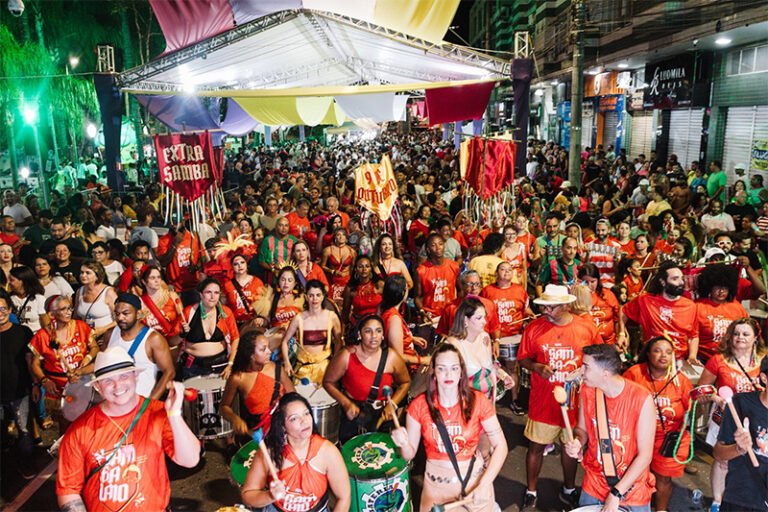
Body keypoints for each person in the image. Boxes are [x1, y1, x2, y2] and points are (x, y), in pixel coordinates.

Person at [56, 347, 200, 512]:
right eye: (108, 380)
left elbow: (190, 460)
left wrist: (174, 414)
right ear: (97, 386)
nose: (118, 386)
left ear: (136, 376)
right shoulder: (79, 429)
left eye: (124, 376)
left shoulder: (158, 412)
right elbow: (68, 489)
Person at [391, 344, 508, 511]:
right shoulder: (419, 406)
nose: (448, 374)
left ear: (461, 371)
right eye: (442, 368)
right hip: (436, 488)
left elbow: (501, 446)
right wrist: (403, 443)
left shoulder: (479, 401)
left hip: (473, 482)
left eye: (454, 368)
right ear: (433, 372)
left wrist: (484, 484)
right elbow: (409, 454)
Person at [518, 284, 601, 511]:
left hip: (575, 402)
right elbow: (523, 359)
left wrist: (585, 373)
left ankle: (569, 488)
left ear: (566, 305)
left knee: (570, 447)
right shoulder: (533, 328)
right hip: (543, 401)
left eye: (552, 307)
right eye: (544, 307)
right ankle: (531, 490)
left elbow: (599, 358)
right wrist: (537, 367)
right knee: (536, 446)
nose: (546, 311)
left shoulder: (586, 328)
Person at [564, 344, 656, 512]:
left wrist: (615, 493)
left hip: (632, 491)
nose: (581, 371)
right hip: (594, 485)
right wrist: (578, 442)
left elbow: (645, 456)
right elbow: (581, 429)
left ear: (604, 373)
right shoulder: (587, 391)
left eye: (586, 366)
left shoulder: (641, 398)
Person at [697, 317, 765, 511]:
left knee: (753, 460)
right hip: (724, 418)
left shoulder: (764, 360)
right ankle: (718, 502)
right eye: (736, 333)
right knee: (722, 461)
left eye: (745, 334)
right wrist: (716, 398)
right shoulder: (718, 360)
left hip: (756, 420)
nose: (740, 337)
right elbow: (703, 388)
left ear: (755, 338)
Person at [241, 392, 351, 512]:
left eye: (306, 413)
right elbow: (248, 496)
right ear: (283, 426)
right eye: (294, 418)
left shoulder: (328, 452)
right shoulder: (269, 453)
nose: (304, 421)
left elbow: (344, 497)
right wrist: (270, 496)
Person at [624, 337, 693, 512]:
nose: (664, 356)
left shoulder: (681, 380)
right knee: (635, 475)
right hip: (637, 436)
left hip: (668, 438)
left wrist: (703, 402)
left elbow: (690, 411)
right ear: (648, 353)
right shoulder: (634, 374)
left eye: (669, 352)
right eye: (658, 351)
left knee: (663, 479)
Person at [323, 314, 410, 442]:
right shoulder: (346, 356)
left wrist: (392, 404)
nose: (374, 336)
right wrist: (346, 404)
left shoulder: (392, 357)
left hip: (383, 416)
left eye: (378, 331)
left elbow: (405, 382)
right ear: (359, 334)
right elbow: (328, 382)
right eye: (368, 331)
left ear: (383, 335)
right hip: (355, 418)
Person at [28, 295, 99, 431]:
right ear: (51, 314)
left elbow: (95, 348)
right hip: (58, 389)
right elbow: (35, 365)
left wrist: (87, 359)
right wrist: (44, 381)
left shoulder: (80, 326)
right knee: (65, 425)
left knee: (87, 423)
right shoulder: (42, 336)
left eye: (70, 308)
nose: (69, 312)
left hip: (82, 383)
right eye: (63, 309)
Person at [713, 355, 768, 512]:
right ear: (764, 378)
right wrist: (739, 449)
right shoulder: (741, 404)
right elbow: (718, 454)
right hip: (740, 498)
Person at [622, 261, 699, 362]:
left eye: (682, 278)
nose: (681, 283)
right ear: (663, 282)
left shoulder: (690, 306)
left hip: (679, 359)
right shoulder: (645, 300)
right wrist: (621, 334)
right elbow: (623, 312)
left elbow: (693, 336)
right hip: (652, 357)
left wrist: (692, 356)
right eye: (675, 279)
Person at [221, 332, 294, 437]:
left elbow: (294, 396)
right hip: (257, 435)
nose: (269, 352)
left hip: (282, 430)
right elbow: (224, 407)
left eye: (268, 347)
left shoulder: (277, 369)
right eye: (263, 349)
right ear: (251, 355)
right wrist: (235, 418)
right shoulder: (237, 378)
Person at [103, 293, 175, 400]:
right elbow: (102, 365)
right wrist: (81, 371)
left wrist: (150, 402)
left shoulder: (153, 339)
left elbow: (169, 372)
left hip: (141, 405)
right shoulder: (110, 334)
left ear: (138, 314)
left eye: (125, 313)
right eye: (117, 314)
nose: (120, 318)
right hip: (115, 405)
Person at [0, 290, 36, 478]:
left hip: (19, 391)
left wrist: (37, 384)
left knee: (24, 431)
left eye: (3, 309)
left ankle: (26, 464)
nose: (0, 313)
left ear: (10, 309)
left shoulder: (23, 332)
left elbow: (32, 362)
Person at [179, 278, 240, 380]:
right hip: (193, 365)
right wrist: (181, 334)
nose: (212, 296)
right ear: (201, 294)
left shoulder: (225, 313)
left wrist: (230, 364)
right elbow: (172, 342)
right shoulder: (188, 312)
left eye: (216, 293)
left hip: (220, 363)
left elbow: (235, 338)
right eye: (208, 292)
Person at [281, 280, 341, 384]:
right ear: (306, 297)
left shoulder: (332, 317)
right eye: (311, 295)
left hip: (325, 367)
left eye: (318, 295)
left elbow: (338, 341)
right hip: (304, 369)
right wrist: (287, 363)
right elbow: (284, 342)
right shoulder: (298, 318)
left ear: (323, 297)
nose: (315, 299)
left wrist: (335, 362)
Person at [695, 263, 748, 363]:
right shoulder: (698, 306)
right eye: (717, 287)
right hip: (702, 359)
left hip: (731, 359)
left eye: (725, 287)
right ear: (710, 287)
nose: (721, 291)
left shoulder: (737, 307)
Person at [380, 274, 429, 368]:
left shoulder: (388, 310)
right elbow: (398, 357)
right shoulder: (394, 319)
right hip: (406, 369)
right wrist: (423, 360)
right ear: (402, 293)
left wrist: (411, 339)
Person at [414, 233, 460, 320]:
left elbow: (460, 291)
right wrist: (422, 312)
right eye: (433, 245)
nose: (438, 247)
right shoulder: (421, 271)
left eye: (440, 244)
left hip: (449, 314)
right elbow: (417, 297)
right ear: (428, 249)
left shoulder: (454, 266)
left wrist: (458, 308)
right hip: (431, 316)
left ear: (444, 246)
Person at [578, 263, 624, 345]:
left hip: (608, 344)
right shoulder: (575, 298)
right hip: (585, 343)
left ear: (598, 280)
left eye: (592, 281)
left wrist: (622, 334)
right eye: (585, 282)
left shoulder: (608, 295)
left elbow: (618, 318)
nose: (589, 285)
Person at [139, 265, 183, 347]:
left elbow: (182, 318)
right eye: (152, 278)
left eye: (158, 277)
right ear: (144, 282)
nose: (157, 281)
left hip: (173, 343)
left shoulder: (172, 296)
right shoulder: (140, 302)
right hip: (151, 345)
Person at [73, 260, 117, 340]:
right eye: (82, 272)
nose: (83, 275)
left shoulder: (109, 292)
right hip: (86, 336)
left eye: (88, 273)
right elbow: (76, 317)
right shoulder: (80, 291)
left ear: (97, 275)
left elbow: (119, 319)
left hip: (106, 336)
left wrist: (102, 329)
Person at [156, 219, 203, 295]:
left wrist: (196, 267)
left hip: (194, 286)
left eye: (177, 221)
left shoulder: (193, 237)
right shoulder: (164, 240)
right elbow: (163, 263)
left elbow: (202, 258)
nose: (174, 225)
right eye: (172, 221)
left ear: (183, 221)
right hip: (175, 289)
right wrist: (175, 244)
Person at [222, 253, 267, 328]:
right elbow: (223, 307)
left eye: (242, 262)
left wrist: (261, 318)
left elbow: (265, 305)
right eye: (236, 264)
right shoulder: (227, 285)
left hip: (253, 323)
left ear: (247, 264)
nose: (240, 266)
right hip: (235, 324)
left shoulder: (257, 282)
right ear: (232, 267)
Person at [340, 255, 382, 331]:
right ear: (355, 269)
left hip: (378, 323)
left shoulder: (379, 285)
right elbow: (345, 313)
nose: (364, 269)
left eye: (367, 266)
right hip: (358, 326)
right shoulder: (350, 289)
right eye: (360, 267)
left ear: (371, 269)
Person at [320, 227, 355, 305]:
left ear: (346, 237)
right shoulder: (328, 250)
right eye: (338, 235)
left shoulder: (352, 251)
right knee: (332, 305)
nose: (341, 237)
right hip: (333, 282)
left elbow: (354, 269)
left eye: (343, 235)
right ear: (334, 237)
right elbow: (322, 266)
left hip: (347, 282)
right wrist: (332, 271)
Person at [8, 265, 49, 332]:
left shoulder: (38, 299)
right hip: (16, 337)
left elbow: (46, 323)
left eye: (12, 280)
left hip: (35, 337)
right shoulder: (8, 299)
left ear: (22, 281)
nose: (9, 283)